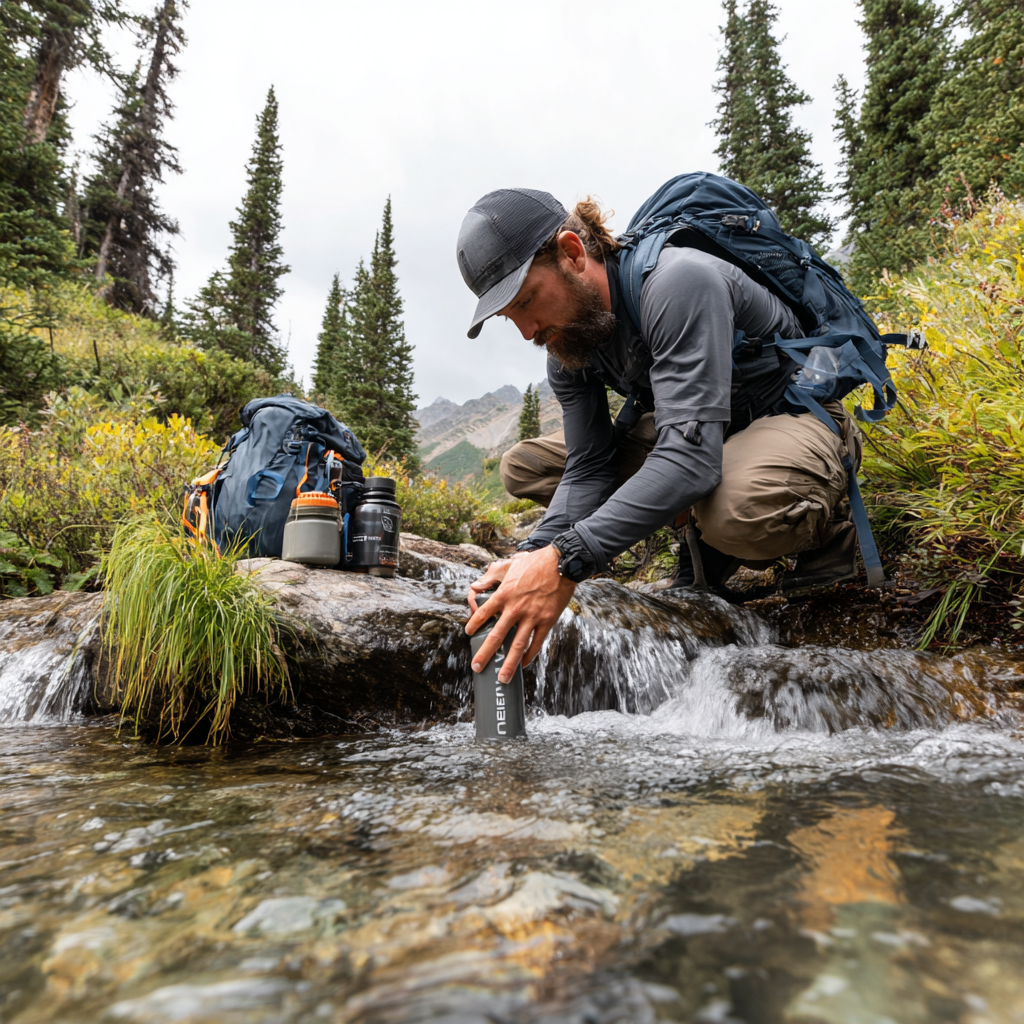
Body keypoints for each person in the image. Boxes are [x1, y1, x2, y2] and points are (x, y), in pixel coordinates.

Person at [458, 186, 863, 683]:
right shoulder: (569, 345)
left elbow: (689, 461)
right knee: (529, 463)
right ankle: (707, 538)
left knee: (739, 508)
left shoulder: (678, 281)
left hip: (787, 416)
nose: (526, 331)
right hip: (701, 431)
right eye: (509, 316)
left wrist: (565, 562)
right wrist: (532, 556)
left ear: (572, 253)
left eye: (526, 301)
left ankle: (826, 530)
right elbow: (589, 466)